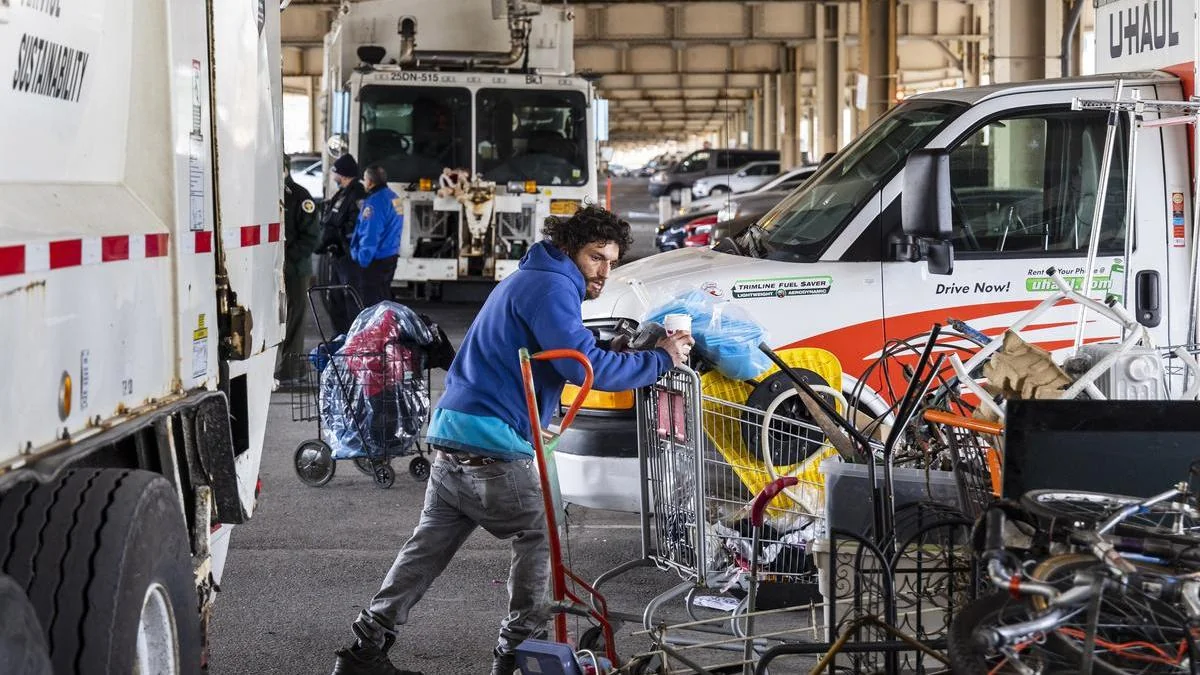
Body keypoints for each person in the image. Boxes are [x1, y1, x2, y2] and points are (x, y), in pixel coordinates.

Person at [329, 206, 694, 675]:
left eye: (612, 261)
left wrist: (612, 352)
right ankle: (522, 654)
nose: (605, 271)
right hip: (492, 446)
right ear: (569, 249)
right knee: (541, 535)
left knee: (426, 550)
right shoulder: (551, 286)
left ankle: (365, 648)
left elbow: (561, 350)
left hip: (452, 437)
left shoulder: (532, 278)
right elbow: (583, 367)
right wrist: (661, 359)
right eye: (596, 257)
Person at [275, 160, 322, 383]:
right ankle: (284, 366)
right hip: (275, 268)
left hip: (295, 269)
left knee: (294, 317)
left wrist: (287, 258)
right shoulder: (270, 193)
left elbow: (311, 236)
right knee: (276, 319)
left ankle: (291, 369)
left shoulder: (300, 196)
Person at [318, 153, 368, 335]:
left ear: (344, 174)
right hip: (338, 255)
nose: (334, 176)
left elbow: (358, 224)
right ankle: (340, 337)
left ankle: (353, 338)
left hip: (348, 256)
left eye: (336, 172)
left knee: (351, 299)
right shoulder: (342, 193)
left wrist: (340, 238)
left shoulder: (357, 194)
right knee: (336, 300)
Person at [349, 164, 403, 308]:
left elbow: (371, 234)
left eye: (365, 179)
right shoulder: (395, 198)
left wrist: (362, 260)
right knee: (384, 301)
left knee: (371, 305)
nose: (364, 182)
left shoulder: (374, 202)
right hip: (390, 256)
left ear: (370, 182)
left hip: (374, 261)